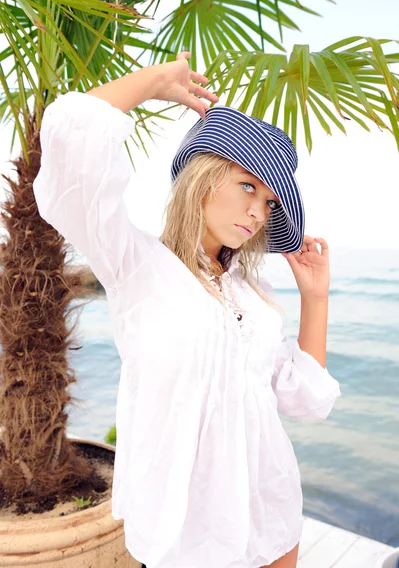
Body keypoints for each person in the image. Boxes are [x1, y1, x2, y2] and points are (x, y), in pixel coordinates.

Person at [33, 51, 341, 568]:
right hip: (190, 531)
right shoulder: (136, 264)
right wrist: (154, 81)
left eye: (269, 202)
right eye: (248, 185)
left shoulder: (249, 297)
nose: (257, 211)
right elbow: (71, 161)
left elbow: (302, 397)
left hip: (271, 507)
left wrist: (315, 298)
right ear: (202, 179)